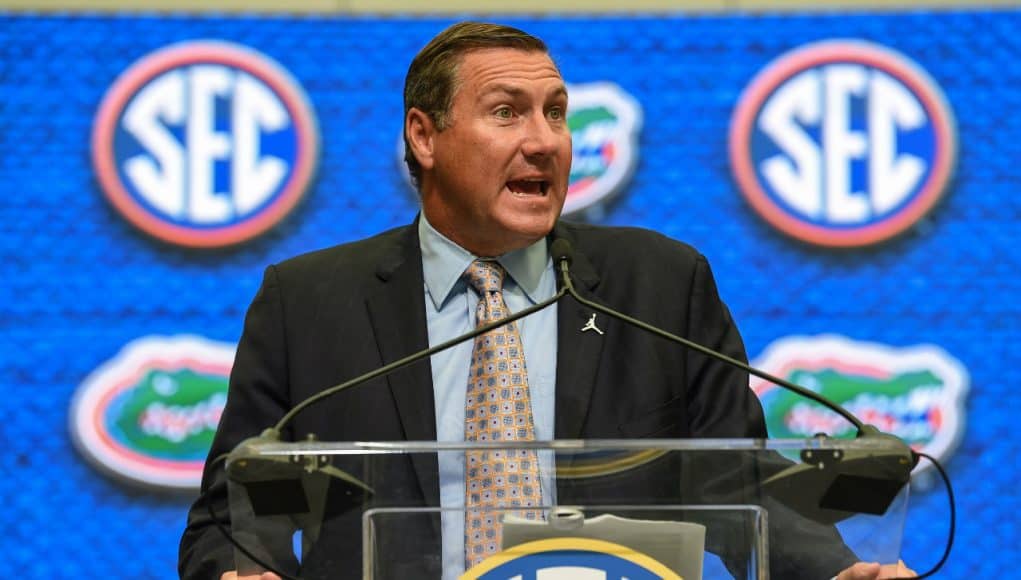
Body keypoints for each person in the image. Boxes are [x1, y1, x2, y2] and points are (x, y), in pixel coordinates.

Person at [179, 21, 916, 580]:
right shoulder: (309, 301)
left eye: (556, 112)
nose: (546, 142)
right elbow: (236, 511)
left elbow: (740, 484)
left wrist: (836, 570)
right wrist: (244, 571)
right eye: (508, 112)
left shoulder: (658, 286)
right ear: (424, 135)